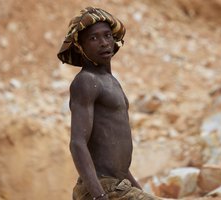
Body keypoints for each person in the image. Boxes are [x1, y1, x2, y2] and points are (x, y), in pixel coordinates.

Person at [57, 7, 161, 200]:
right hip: (101, 187)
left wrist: (140, 191)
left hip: (117, 185)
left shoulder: (111, 82)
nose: (104, 43)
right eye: (94, 38)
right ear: (80, 46)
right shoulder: (86, 81)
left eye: (107, 36)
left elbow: (113, 161)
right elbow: (77, 143)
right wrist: (98, 196)